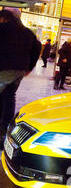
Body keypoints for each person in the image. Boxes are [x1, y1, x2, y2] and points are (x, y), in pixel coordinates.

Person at [0, 8, 41, 149]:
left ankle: (3, 129)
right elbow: (37, 47)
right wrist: (29, 67)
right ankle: (5, 128)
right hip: (19, 70)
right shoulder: (27, 32)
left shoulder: (3, 28)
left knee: (5, 97)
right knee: (9, 97)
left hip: (4, 69)